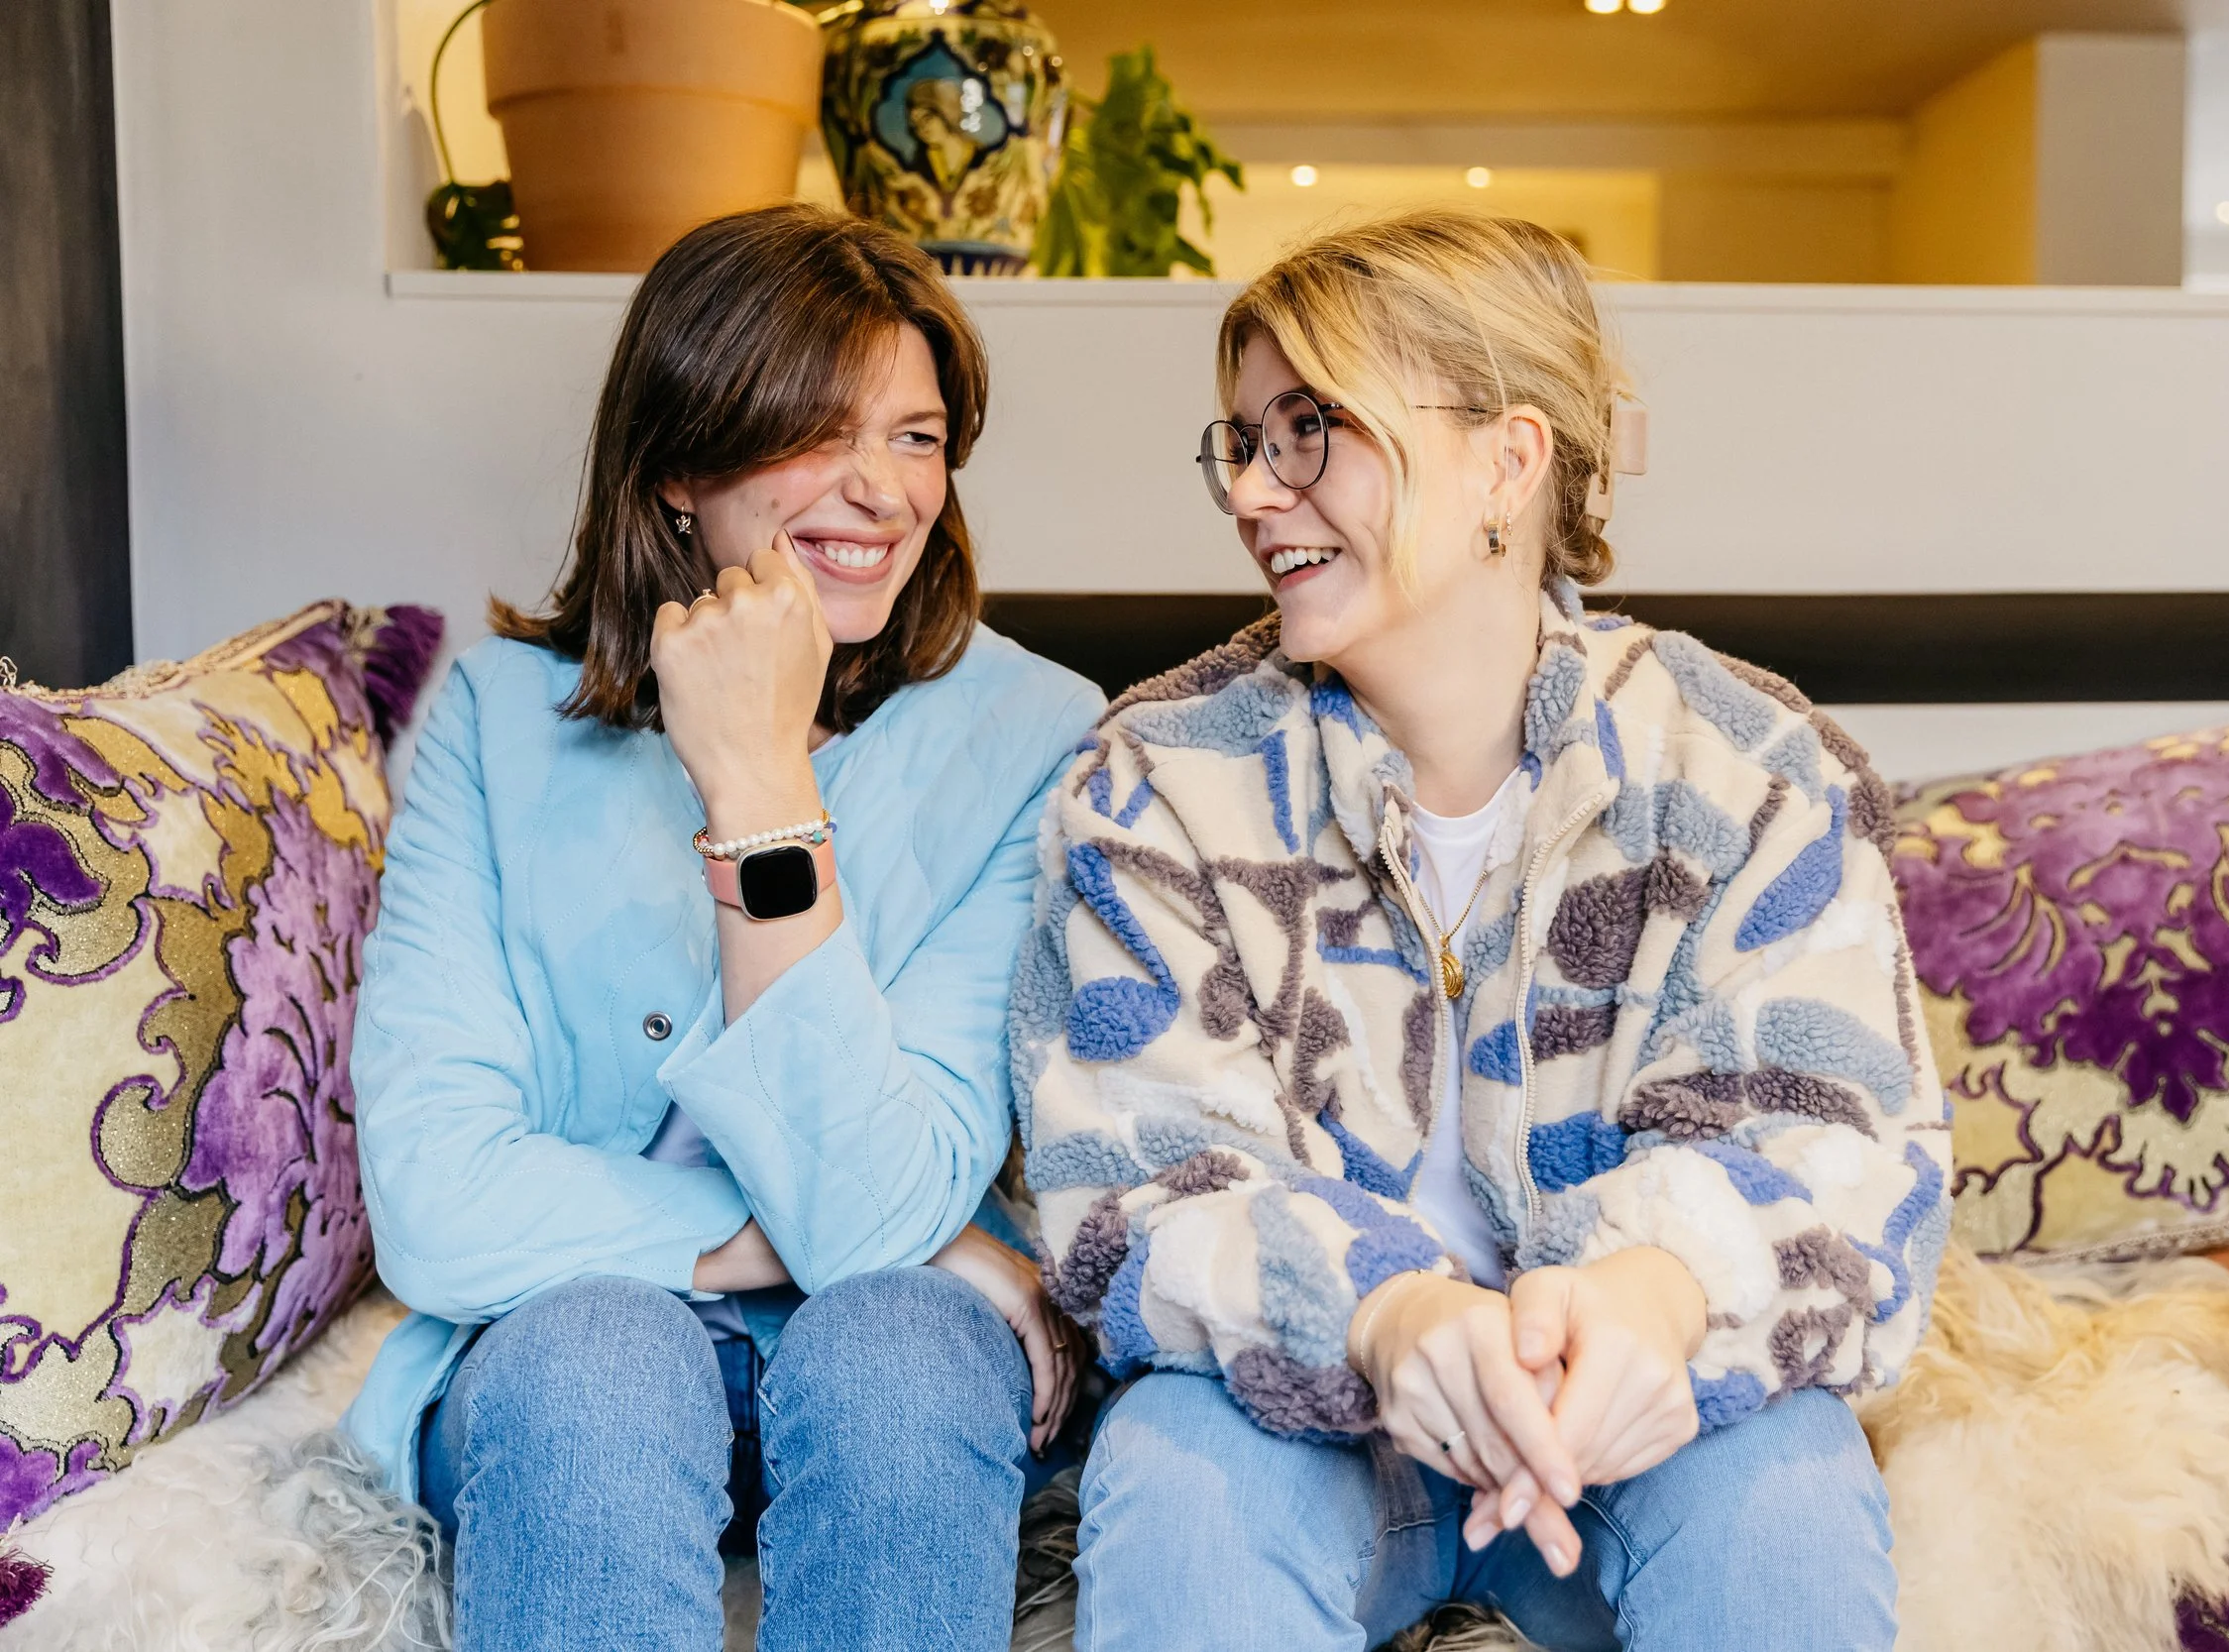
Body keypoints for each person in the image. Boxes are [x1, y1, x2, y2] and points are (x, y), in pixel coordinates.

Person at [1013, 208, 1950, 1650]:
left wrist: (1655, 1292)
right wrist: (1388, 1320)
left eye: (1311, 431)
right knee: (1179, 1470)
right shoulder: (1159, 787)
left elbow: (1844, 1141)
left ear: (1508, 461)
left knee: (1788, 1480)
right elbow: (1131, 1182)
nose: (1258, 493)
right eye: (1244, 441)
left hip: (1636, 1427)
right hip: (1309, 1432)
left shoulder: (1742, 768)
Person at [342, 204, 1103, 1652]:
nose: (881, 490)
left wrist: (760, 782)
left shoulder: (1038, 735)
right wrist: (785, 1234)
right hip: (565, 1359)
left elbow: (876, 1223)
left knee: (897, 1346)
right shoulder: (498, 723)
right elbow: (437, 1201)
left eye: (919, 436)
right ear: (683, 460)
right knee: (596, 1356)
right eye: (822, 430)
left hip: (899, 1361)